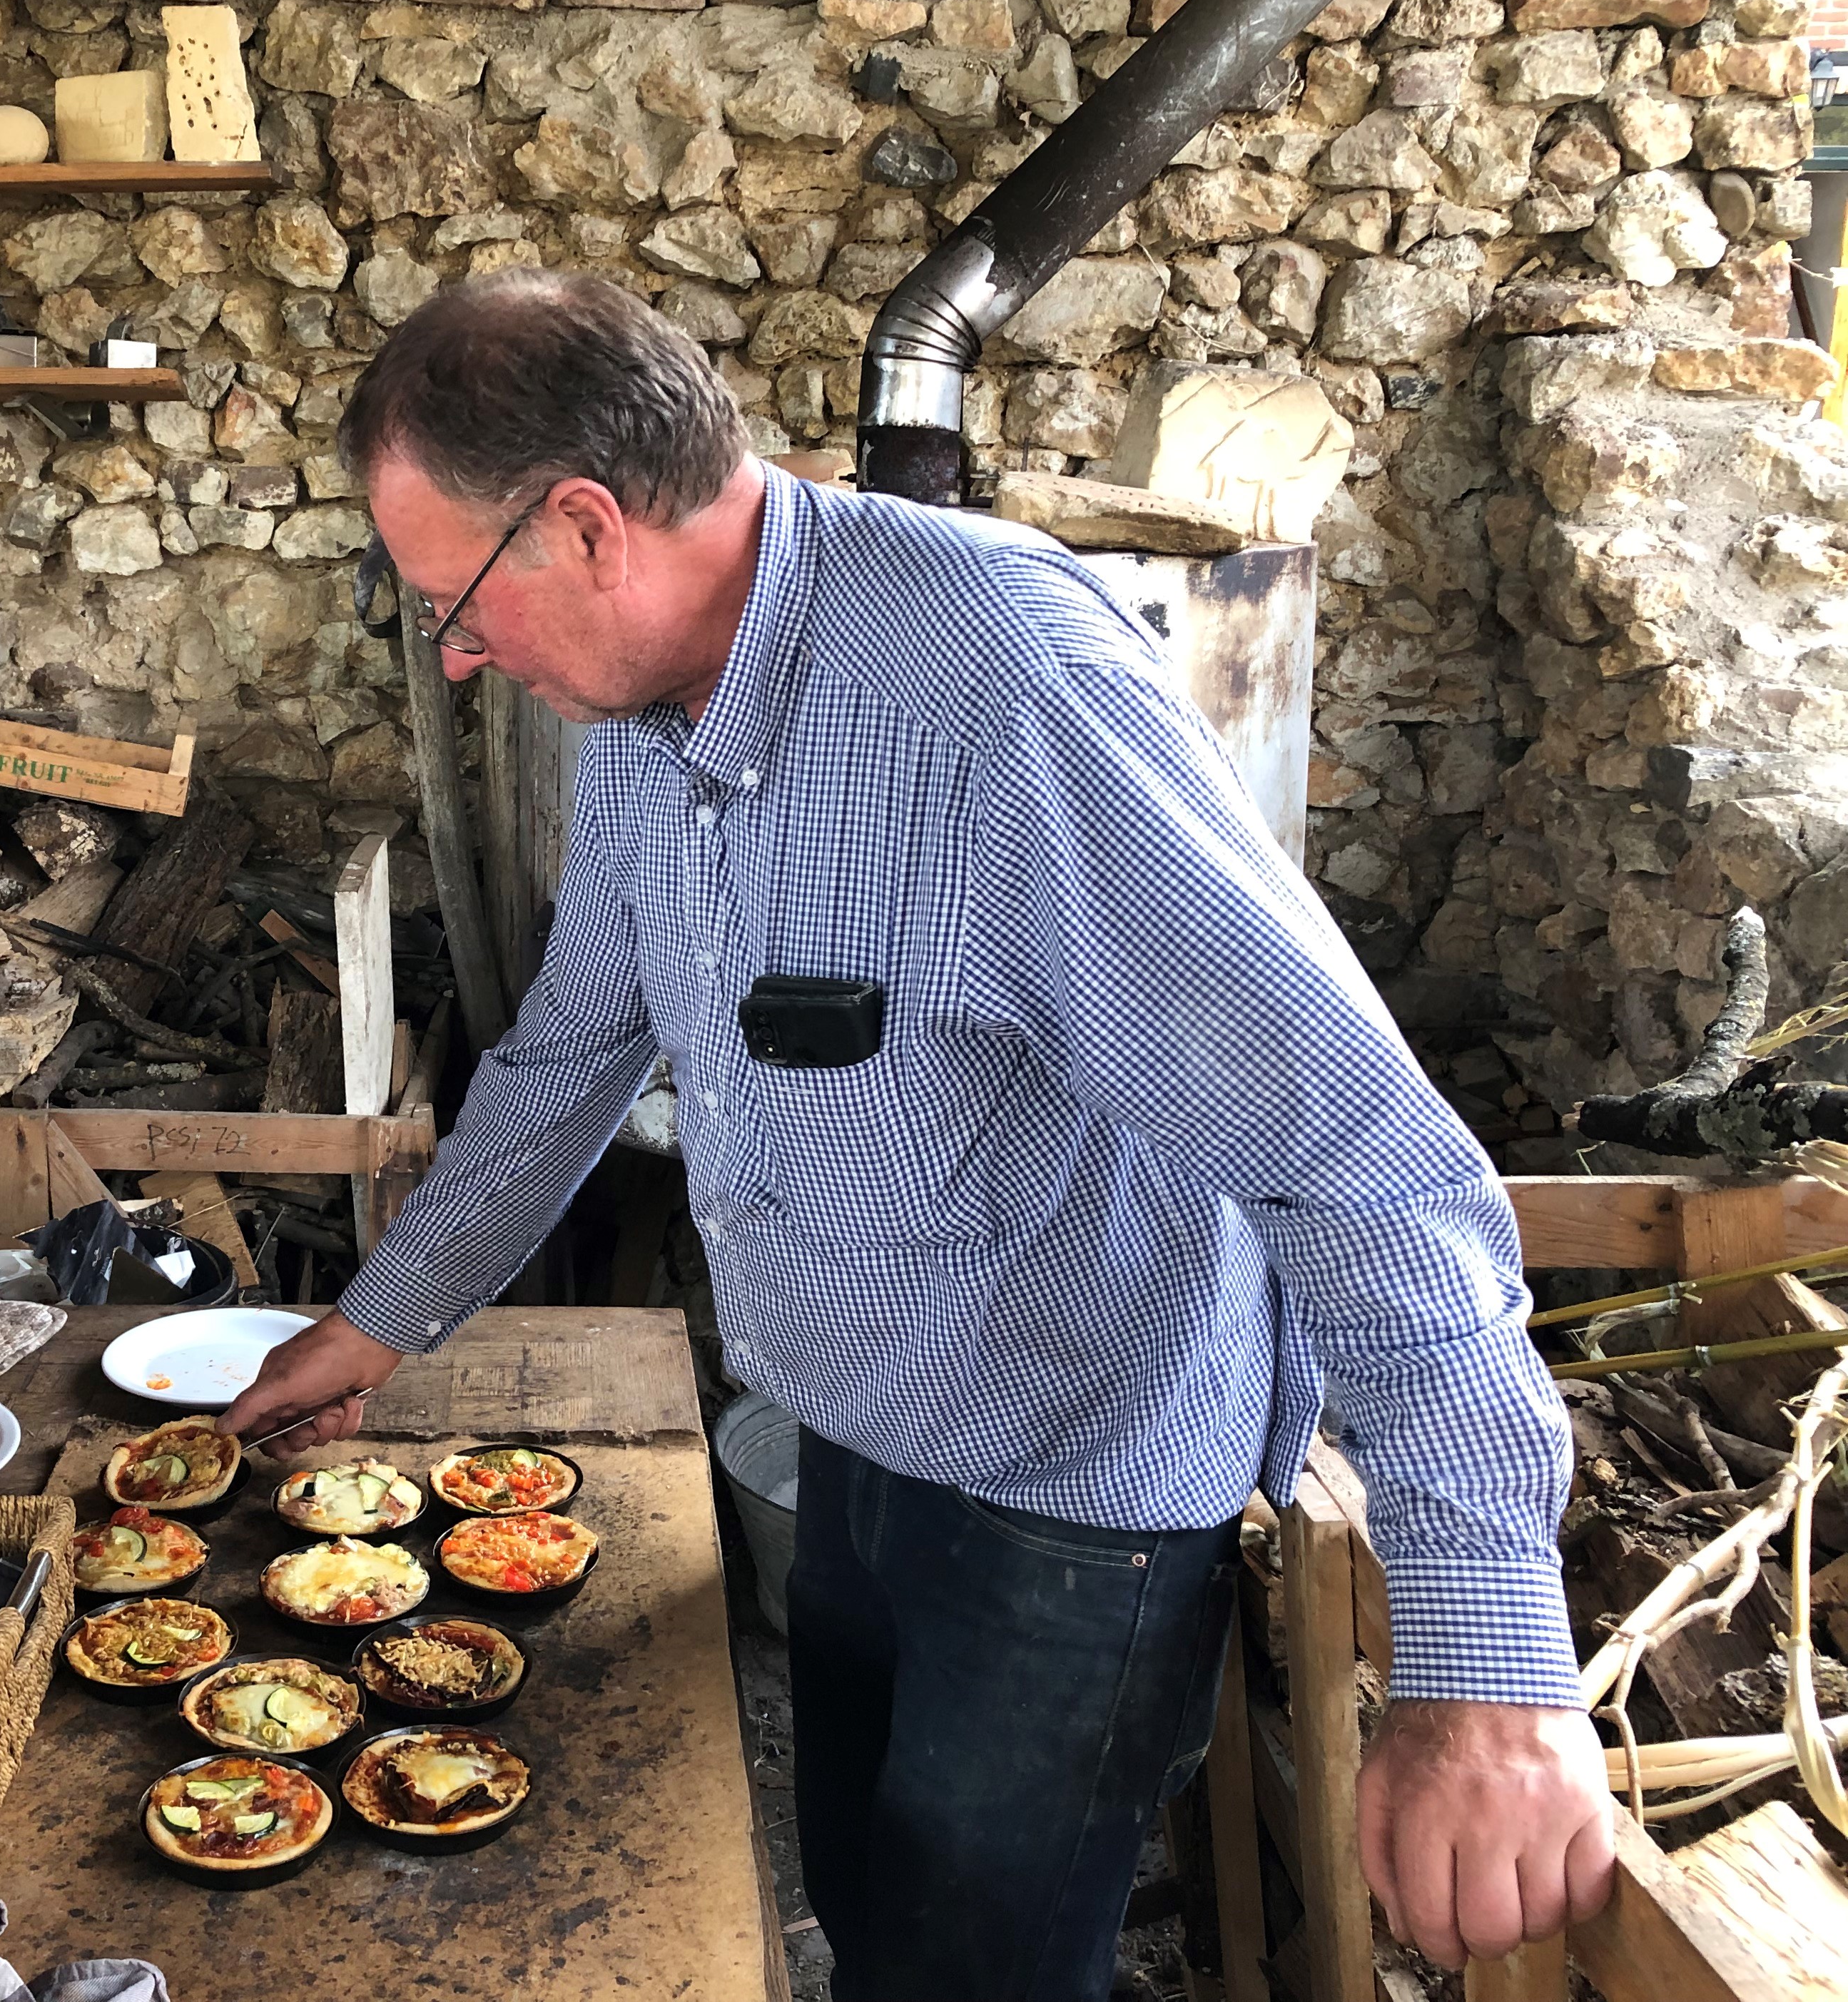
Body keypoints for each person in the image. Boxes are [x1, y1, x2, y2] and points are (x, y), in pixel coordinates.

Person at [221, 271, 1616, 1998]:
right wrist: (376, 1325)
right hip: (852, 1442)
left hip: (1067, 1502)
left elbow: (1354, 1151)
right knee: (877, 1923)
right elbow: (571, 1049)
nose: (458, 651)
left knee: (978, 1975)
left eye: (456, 603)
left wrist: (1488, 1666)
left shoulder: (995, 686)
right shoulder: (638, 714)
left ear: (585, 526)